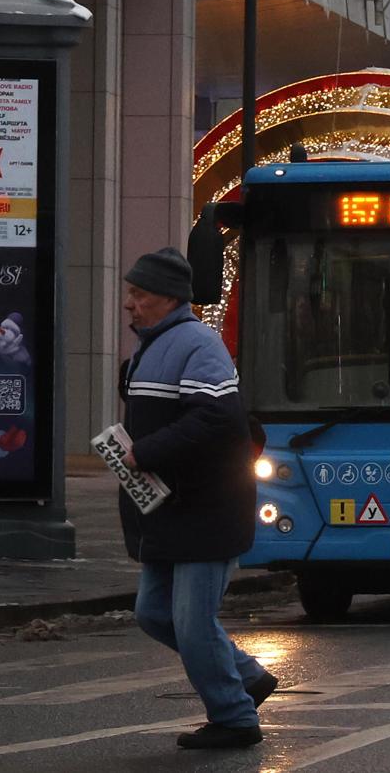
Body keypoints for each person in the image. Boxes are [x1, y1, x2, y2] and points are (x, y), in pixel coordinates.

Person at [116, 247, 276, 751]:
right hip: (173, 510)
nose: (129, 303)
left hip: (208, 509)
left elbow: (215, 419)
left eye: (138, 294)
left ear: (167, 297)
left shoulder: (197, 344)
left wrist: (146, 452)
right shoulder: (154, 344)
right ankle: (247, 676)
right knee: (153, 613)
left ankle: (234, 716)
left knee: (189, 620)